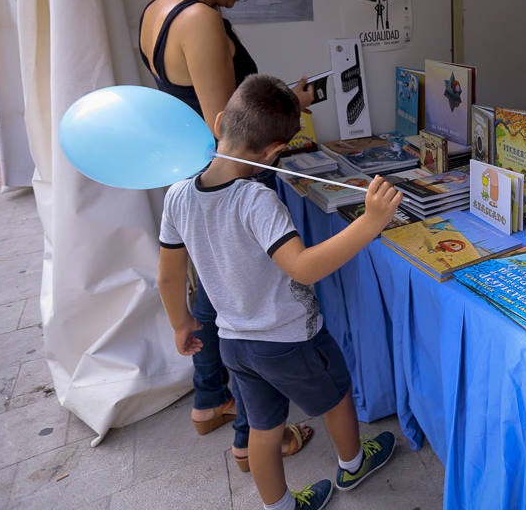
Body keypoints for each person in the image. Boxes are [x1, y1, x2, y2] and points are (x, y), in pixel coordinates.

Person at [157, 75, 403, 510]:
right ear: (275, 152)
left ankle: (280, 507)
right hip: (291, 340)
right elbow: (303, 268)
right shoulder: (256, 200)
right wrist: (370, 222)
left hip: (234, 343)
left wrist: (182, 324)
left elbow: (169, 277)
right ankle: (352, 464)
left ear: (218, 123)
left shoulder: (177, 195)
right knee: (337, 393)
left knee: (264, 429)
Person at [138, 0, 314, 466]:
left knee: (210, 293)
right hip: (225, 182)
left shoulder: (157, 10)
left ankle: (209, 401)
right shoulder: (200, 20)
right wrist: (289, 117)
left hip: (190, 173)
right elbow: (227, 128)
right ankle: (251, 436)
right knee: (235, 303)